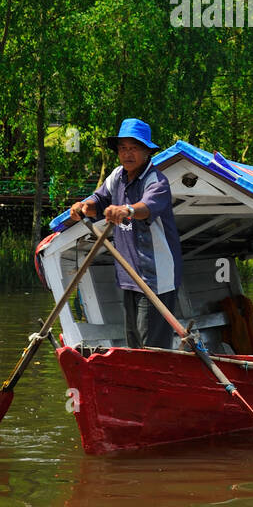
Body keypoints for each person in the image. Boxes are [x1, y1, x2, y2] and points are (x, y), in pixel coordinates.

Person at [70, 118, 182, 349]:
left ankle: (152, 383)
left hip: (155, 279)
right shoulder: (117, 176)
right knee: (134, 343)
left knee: (152, 347)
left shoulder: (156, 181)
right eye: (123, 148)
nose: (127, 154)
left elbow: (145, 208)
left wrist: (126, 210)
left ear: (147, 151)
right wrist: (83, 206)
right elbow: (98, 200)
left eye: (133, 148)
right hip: (130, 276)